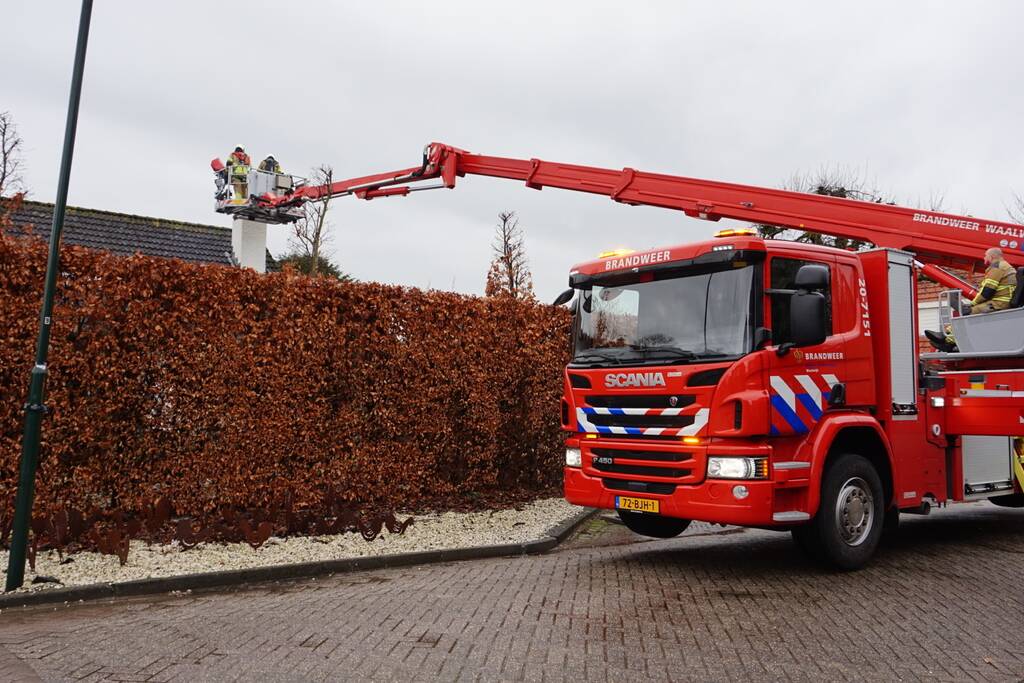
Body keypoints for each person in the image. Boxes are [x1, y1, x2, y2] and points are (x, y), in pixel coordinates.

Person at [925, 247, 1017, 352]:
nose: (984, 258)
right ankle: (946, 335)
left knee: (968, 313)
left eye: (985, 255)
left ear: (991, 257)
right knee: (967, 311)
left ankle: (949, 341)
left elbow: (987, 291)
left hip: (998, 304)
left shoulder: (997, 268)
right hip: (1001, 302)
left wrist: (973, 304)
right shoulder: (1006, 267)